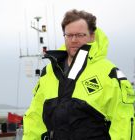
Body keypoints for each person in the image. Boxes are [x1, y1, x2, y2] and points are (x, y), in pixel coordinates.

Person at [23, 9, 135, 140]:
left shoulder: (108, 73)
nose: (74, 40)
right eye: (69, 35)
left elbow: (123, 123)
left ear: (92, 36)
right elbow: (35, 119)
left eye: (80, 35)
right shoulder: (48, 73)